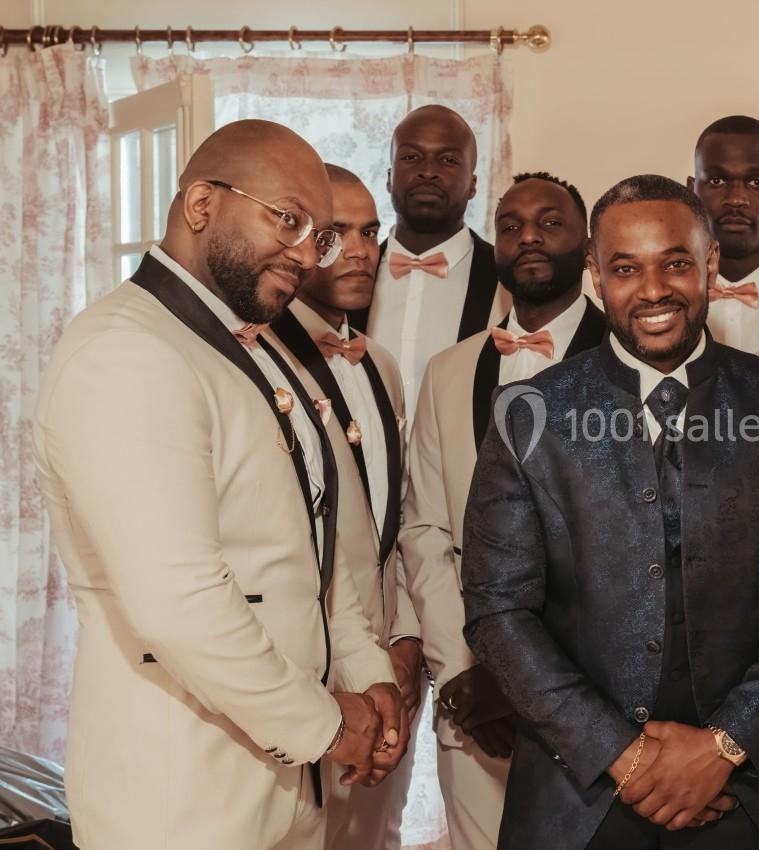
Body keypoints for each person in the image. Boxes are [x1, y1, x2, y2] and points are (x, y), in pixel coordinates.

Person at [32, 120, 406, 850]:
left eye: (319, 235)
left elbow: (312, 548)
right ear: (201, 205)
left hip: (285, 785)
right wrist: (326, 724)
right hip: (181, 797)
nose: (307, 255)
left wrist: (367, 670)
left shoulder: (263, 351)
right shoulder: (124, 353)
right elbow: (181, 602)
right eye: (290, 220)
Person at [461, 174, 759, 849]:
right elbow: (498, 610)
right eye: (625, 268)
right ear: (594, 273)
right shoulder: (528, 413)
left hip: (756, 793)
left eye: (675, 262)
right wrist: (623, 755)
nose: (652, 290)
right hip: (577, 796)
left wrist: (725, 745)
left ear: (708, 265)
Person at [400, 171, 606, 850]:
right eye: (512, 225)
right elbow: (425, 529)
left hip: (594, 701)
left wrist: (534, 683)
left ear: (587, 245)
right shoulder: (448, 371)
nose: (528, 237)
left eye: (550, 222)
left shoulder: (632, 362)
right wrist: (463, 665)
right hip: (472, 699)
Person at [263, 164, 423, 850]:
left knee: (375, 836)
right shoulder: (264, 358)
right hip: (307, 658)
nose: (359, 250)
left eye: (369, 231)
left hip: (386, 657)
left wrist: (409, 635)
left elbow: (396, 516)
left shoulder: (381, 363)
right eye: (334, 234)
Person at [357, 105, 506, 416]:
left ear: (474, 184)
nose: (428, 171)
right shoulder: (350, 272)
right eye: (411, 157)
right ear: (388, 177)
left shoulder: (507, 280)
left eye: (448, 160)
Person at [688, 115, 759, 351]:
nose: (735, 199)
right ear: (691, 191)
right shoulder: (663, 288)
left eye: (756, 182)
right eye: (716, 180)